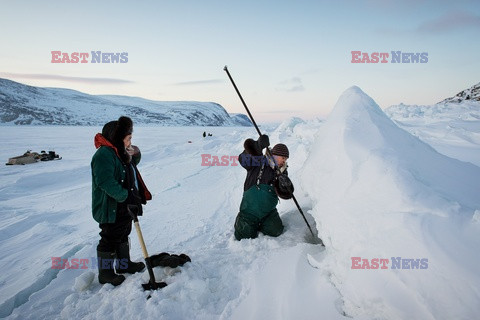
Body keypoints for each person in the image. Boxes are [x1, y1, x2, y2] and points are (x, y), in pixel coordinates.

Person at [91, 116, 152, 286]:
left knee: (123, 233)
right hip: (110, 206)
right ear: (117, 138)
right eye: (128, 138)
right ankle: (106, 273)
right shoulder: (104, 154)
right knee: (109, 238)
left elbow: (132, 163)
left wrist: (135, 152)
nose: (130, 141)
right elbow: (105, 181)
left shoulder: (119, 150)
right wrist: (126, 196)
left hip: (124, 204)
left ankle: (124, 265)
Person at [234, 134, 291, 240]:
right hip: (249, 212)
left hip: (268, 212)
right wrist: (257, 146)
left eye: (286, 159)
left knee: (276, 231)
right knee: (243, 236)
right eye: (283, 158)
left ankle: (262, 224)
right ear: (275, 155)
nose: (284, 161)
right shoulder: (258, 161)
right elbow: (243, 159)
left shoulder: (283, 172)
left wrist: (287, 189)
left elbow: (284, 193)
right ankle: (243, 221)